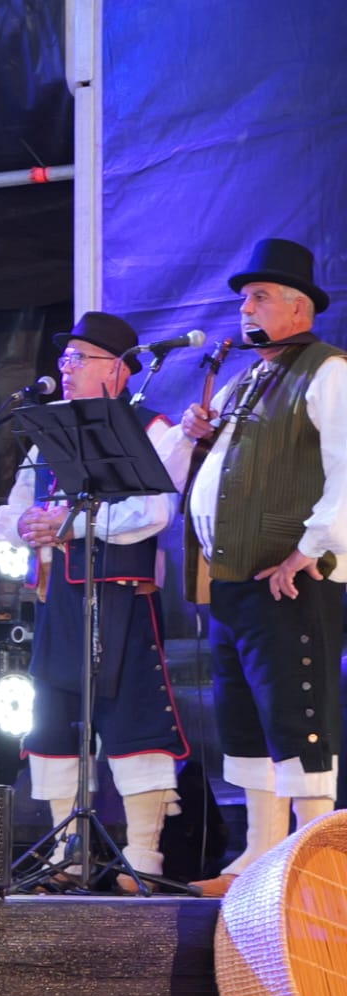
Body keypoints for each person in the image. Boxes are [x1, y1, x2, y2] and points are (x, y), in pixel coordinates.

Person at [0, 311, 189, 884]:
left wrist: (69, 525)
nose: (67, 368)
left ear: (119, 370)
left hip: (124, 595)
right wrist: (26, 522)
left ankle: (144, 858)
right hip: (61, 600)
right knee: (53, 719)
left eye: (80, 359)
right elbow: (13, 511)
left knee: (133, 716)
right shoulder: (49, 430)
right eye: (65, 358)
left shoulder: (152, 427)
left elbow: (153, 512)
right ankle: (65, 855)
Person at [178, 238, 345, 895]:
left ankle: (317, 865)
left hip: (291, 577)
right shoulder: (253, 378)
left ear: (298, 308)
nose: (245, 308)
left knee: (296, 716)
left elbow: (343, 467)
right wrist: (204, 434)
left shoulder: (325, 370)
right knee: (246, 722)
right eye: (244, 299)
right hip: (238, 584)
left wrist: (310, 550)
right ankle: (259, 856)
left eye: (260, 297)